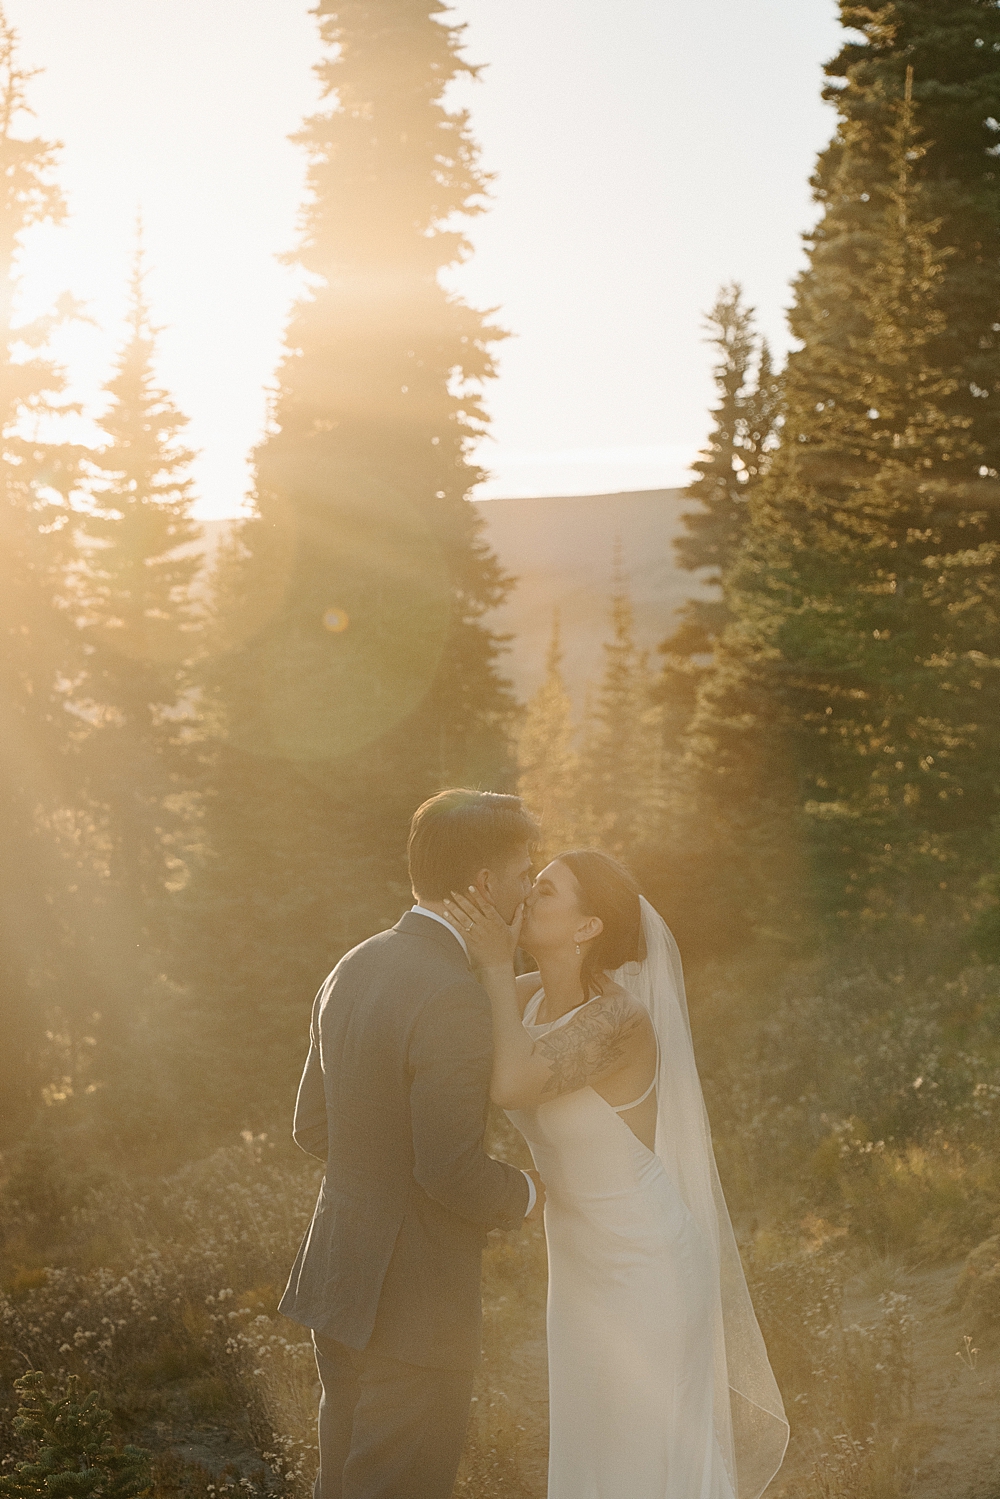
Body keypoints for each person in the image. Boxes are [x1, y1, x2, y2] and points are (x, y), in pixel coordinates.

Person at [445, 849, 788, 1499]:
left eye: (545, 891)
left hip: (646, 1267)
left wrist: (494, 960)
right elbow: (454, 1014)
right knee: (594, 1453)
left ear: (587, 927)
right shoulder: (528, 997)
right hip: (579, 1272)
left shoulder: (618, 1018)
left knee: (641, 1458)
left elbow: (515, 1081)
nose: (529, 899)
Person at [279, 789, 544, 1499]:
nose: (528, 890)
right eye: (523, 874)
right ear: (486, 885)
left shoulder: (353, 964)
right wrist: (532, 1192)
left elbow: (312, 1127)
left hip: (339, 1280)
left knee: (341, 1485)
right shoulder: (454, 994)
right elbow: (450, 1170)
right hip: (417, 1307)